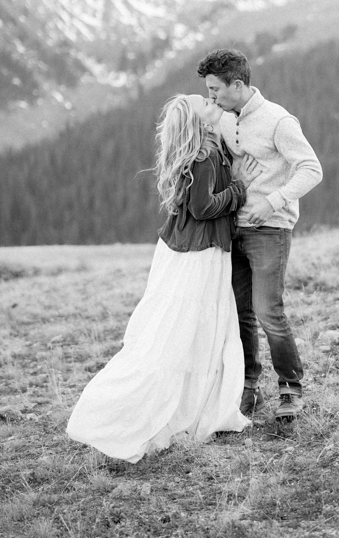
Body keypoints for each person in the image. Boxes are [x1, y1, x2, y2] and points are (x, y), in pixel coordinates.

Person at [66, 94, 250, 462]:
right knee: (190, 328)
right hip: (200, 254)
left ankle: (189, 403)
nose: (210, 101)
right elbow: (203, 207)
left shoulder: (200, 151)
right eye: (204, 103)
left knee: (177, 327)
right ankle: (170, 408)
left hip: (181, 251)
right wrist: (238, 192)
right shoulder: (205, 156)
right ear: (198, 122)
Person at [198, 48, 323, 420]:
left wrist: (274, 200)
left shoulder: (278, 120)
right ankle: (247, 386)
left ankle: (290, 389)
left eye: (215, 89)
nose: (211, 96)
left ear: (238, 84)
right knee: (240, 315)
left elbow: (311, 169)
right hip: (231, 229)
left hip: (270, 229)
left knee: (269, 311)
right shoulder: (223, 119)